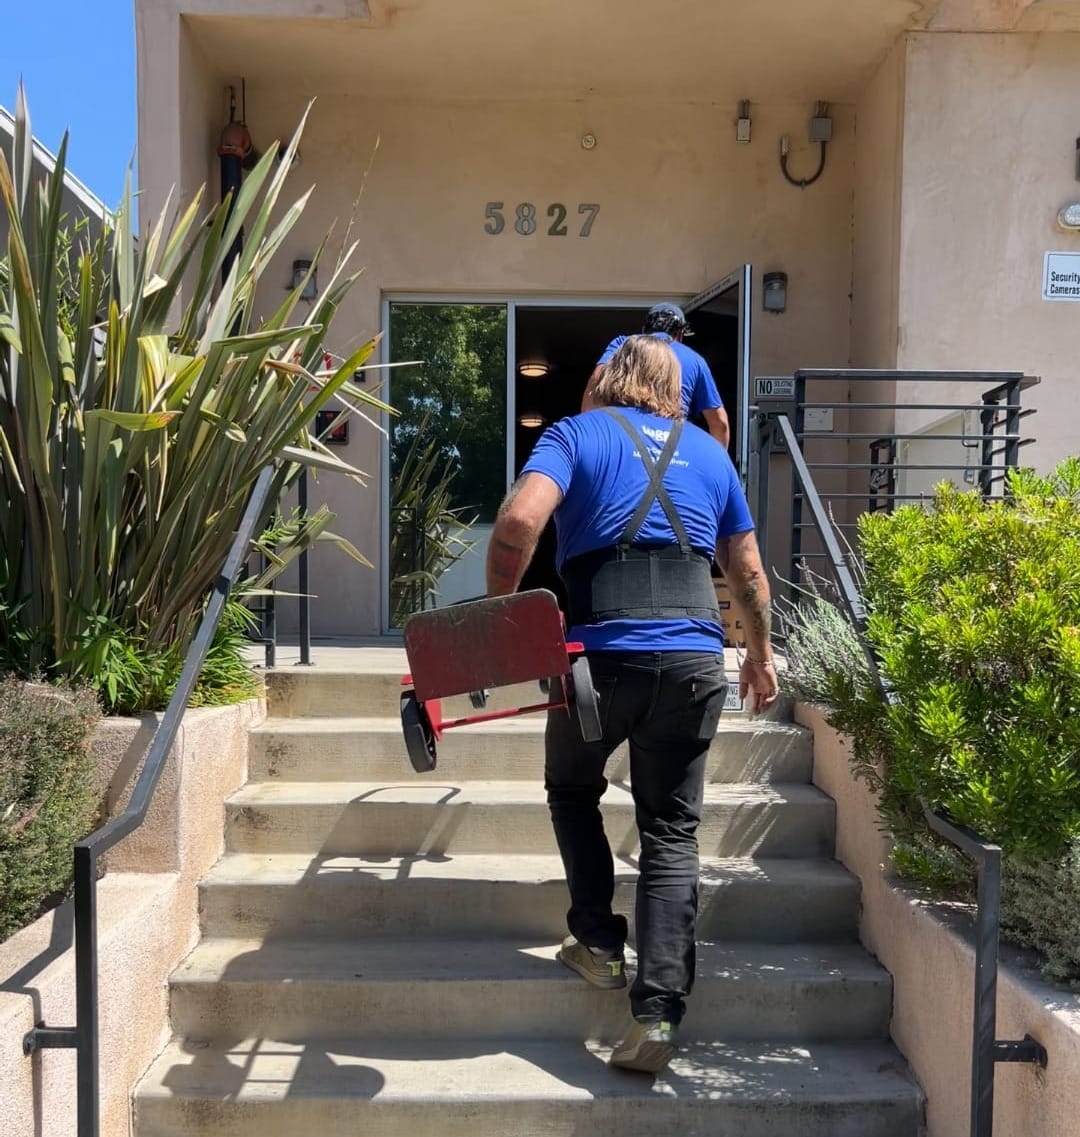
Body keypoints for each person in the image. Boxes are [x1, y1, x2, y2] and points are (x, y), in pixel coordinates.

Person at [486, 335, 777, 1075]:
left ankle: (597, 942)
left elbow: (520, 522)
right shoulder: (713, 457)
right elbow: (746, 568)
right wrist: (760, 656)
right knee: (672, 828)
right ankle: (657, 1011)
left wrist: (501, 615)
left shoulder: (575, 435)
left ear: (603, 379)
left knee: (573, 788)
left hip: (597, 662)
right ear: (674, 390)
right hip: (691, 662)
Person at [583, 302, 731, 449]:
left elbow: (596, 383)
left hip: (626, 438)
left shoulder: (622, 344)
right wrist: (716, 462)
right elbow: (720, 424)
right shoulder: (695, 360)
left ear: (644, 329)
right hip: (672, 447)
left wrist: (590, 434)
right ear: (680, 334)